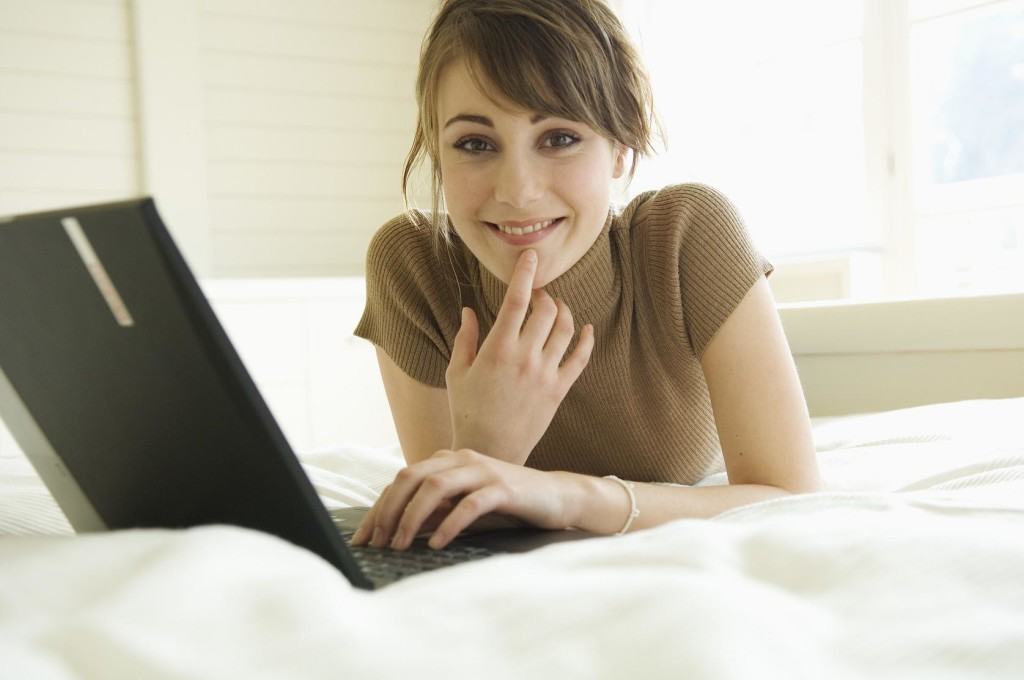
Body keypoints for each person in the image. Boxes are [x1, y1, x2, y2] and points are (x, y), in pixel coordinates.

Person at [351, 0, 822, 552]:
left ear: (621, 146)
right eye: (475, 144)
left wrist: (571, 496)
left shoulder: (685, 237)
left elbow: (790, 494)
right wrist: (485, 445)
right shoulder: (413, 264)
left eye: (559, 138)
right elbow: (446, 520)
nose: (517, 190)